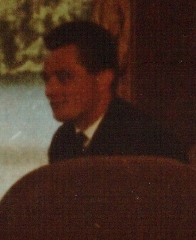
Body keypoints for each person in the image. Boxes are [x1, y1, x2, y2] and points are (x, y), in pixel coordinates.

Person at [40, 18, 186, 164]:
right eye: (46, 79)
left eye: (65, 77)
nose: (49, 91)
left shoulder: (149, 142)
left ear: (103, 80)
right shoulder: (63, 140)